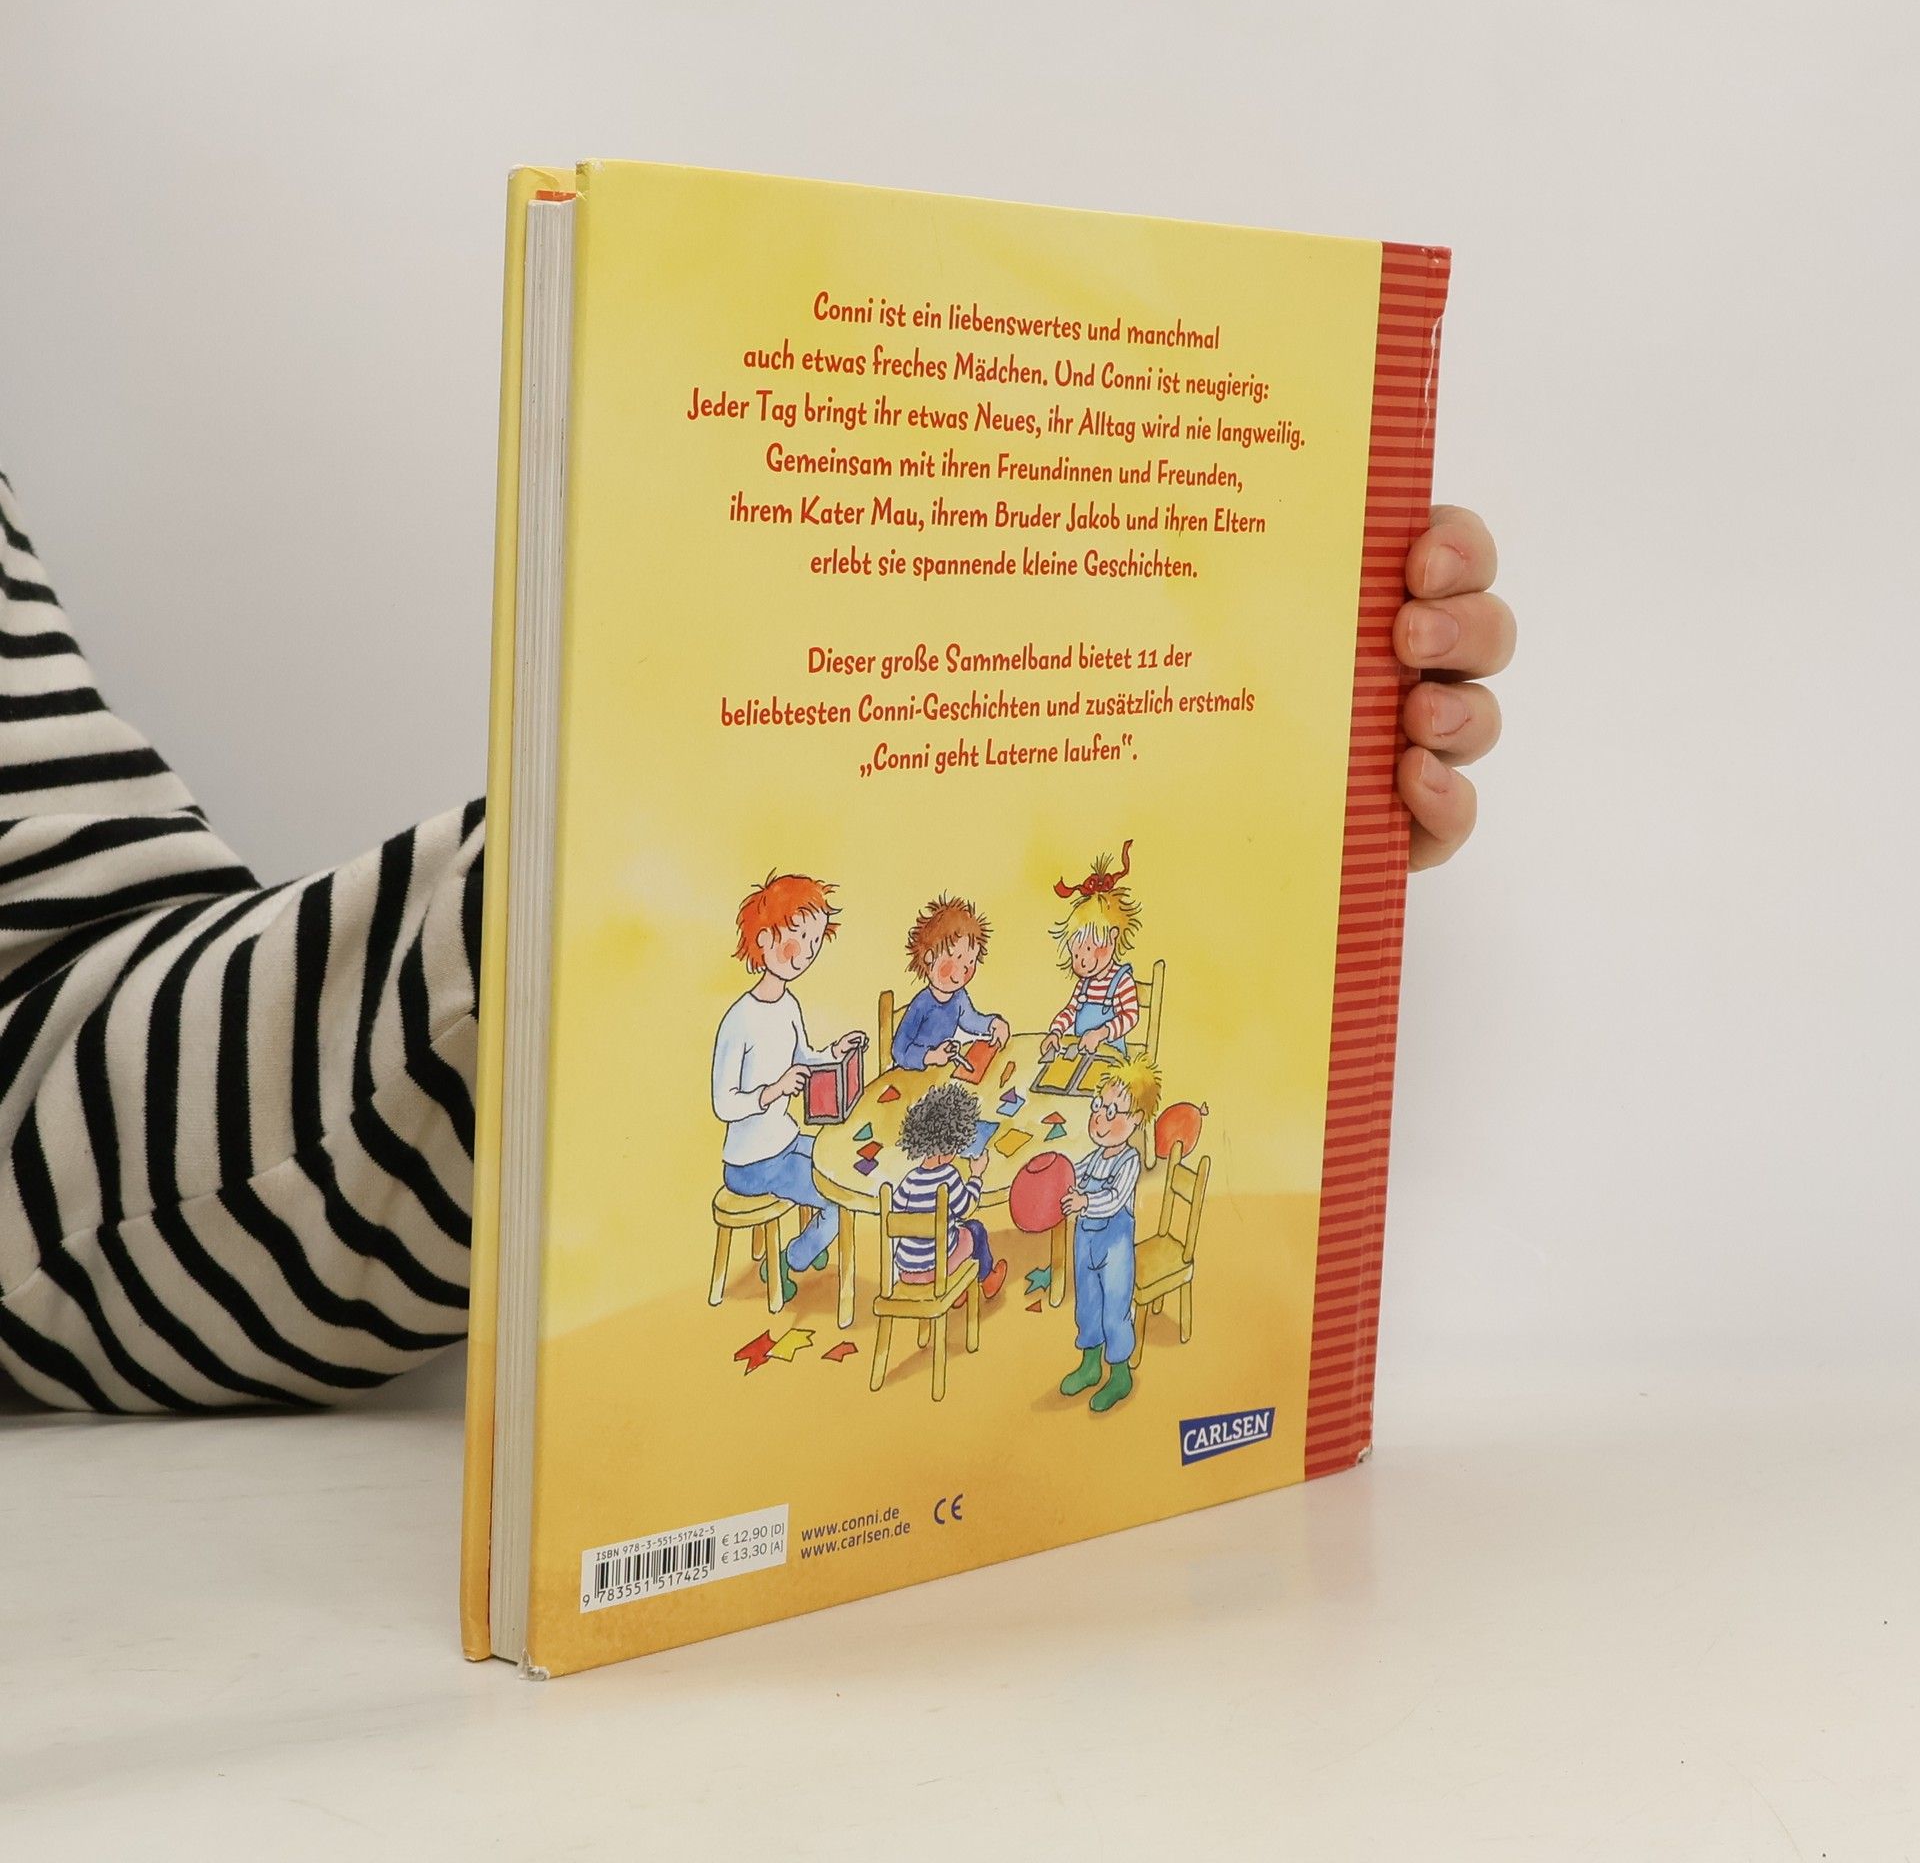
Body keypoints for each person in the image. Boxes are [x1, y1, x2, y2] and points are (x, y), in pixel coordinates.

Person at [0, 471, 1513, 1410]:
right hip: (780, 1145)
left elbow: (67, 1041)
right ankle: (857, 1293)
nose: (946, 969)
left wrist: (1184, 780)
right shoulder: (774, 1013)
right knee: (854, 1196)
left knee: (977, 1189)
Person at [710, 872, 868, 1300]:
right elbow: (723, 1103)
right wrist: (773, 1091)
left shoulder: (788, 1005)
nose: (807, 953)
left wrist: (833, 1051)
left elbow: (804, 1056)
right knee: (840, 1196)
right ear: (763, 940)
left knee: (841, 1161)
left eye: (814, 942)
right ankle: (791, 1258)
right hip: (752, 1163)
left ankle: (812, 1241)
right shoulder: (739, 1020)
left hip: (785, 1140)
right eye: (799, 938)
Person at [1058, 1054, 1160, 1414]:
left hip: (1114, 1249)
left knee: (1114, 1311)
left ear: (1135, 1120)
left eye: (1112, 1111)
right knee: (1088, 1305)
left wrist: (1084, 1201)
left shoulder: (1129, 1161)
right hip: (1085, 1244)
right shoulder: (1094, 1157)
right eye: (1099, 1106)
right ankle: (1090, 1365)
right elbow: (1074, 1172)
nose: (1100, 1117)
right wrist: (1058, 1175)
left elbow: (1115, 1198)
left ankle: (1119, 1375)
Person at [887, 1082, 1006, 1300]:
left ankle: (958, 1293)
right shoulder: (948, 1176)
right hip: (938, 1269)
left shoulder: (910, 1180)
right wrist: (976, 1176)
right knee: (975, 1229)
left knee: (953, 1232)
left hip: (906, 1272)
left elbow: (894, 1213)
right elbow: (966, 1208)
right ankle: (988, 1279)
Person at [1039, 845, 1143, 1060]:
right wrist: (1056, 1031)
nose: (1081, 962)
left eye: (1088, 949)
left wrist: (1102, 1033)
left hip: (1111, 1058)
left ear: (1112, 937)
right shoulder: (1084, 984)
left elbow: (1130, 1016)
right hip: (1083, 1056)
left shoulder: (1121, 980)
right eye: (1076, 953)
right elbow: (1070, 1010)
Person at [888, 894, 1009, 1072]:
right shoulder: (922, 1004)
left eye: (970, 963)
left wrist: (994, 1024)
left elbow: (971, 1020)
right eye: (956, 959)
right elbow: (899, 1051)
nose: (962, 972)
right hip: (911, 1074)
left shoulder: (959, 997)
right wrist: (931, 1056)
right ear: (929, 957)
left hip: (937, 1073)